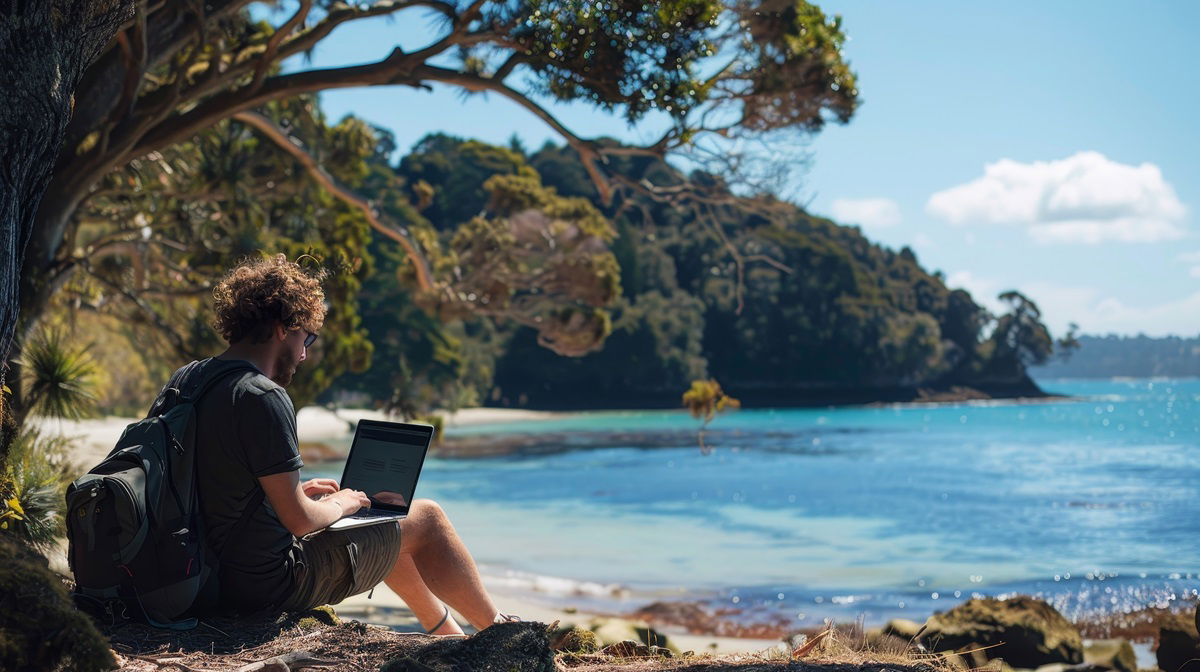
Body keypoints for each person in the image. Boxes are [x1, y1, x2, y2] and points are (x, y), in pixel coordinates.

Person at [159, 253, 510, 634]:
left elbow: (210, 486)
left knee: (380, 516)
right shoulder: (262, 396)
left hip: (192, 575)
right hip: (262, 585)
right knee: (425, 519)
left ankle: (446, 634)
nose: (304, 354)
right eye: (306, 338)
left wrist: (295, 494)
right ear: (283, 328)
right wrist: (342, 503)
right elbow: (300, 521)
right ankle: (503, 634)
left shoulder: (187, 379)